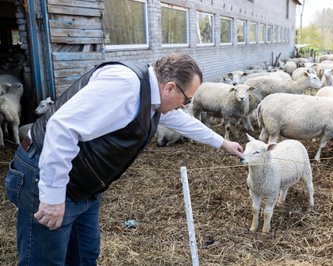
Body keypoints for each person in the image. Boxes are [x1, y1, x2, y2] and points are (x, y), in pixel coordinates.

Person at [4, 53, 243, 265]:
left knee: (85, 255)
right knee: (46, 260)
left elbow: (183, 122)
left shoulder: (152, 98)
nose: (185, 105)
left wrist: (223, 143)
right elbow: (62, 128)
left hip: (84, 185)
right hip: (47, 174)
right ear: (170, 87)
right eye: (187, 99)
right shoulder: (124, 85)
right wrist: (53, 197)